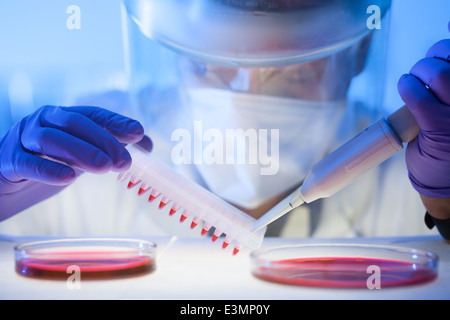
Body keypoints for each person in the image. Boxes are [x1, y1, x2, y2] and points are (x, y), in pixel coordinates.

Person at [0, 1, 449, 242]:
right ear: (176, 50)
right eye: (211, 64)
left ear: (360, 50)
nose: (247, 94)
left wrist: (446, 213)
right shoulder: (81, 159)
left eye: (295, 67)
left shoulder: (421, 175)